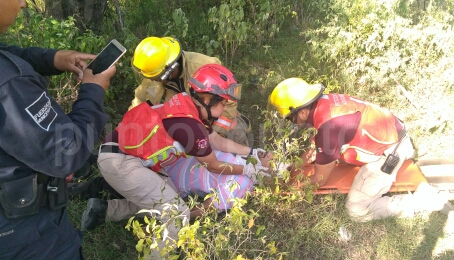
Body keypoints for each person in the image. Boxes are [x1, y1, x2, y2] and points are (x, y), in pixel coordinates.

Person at [81, 64, 270, 242]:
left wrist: (253, 152)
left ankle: (103, 210)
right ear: (207, 98)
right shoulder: (190, 125)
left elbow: (217, 140)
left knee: (165, 197)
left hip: (127, 154)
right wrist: (248, 169)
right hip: (121, 160)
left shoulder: (188, 107)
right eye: (222, 103)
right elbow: (213, 165)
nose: (224, 109)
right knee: (176, 212)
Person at [0, 1, 116, 259]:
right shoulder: (9, 84)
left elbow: (6, 51)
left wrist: (53, 59)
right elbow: (67, 152)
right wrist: (93, 90)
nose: (21, 3)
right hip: (25, 235)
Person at [267, 78, 452, 222]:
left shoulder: (328, 128)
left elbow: (319, 180)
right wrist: (294, 165)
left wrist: (290, 188)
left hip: (391, 151)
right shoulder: (324, 103)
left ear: (302, 112)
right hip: (392, 131)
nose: (291, 122)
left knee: (357, 210)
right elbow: (316, 149)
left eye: (290, 118)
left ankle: (425, 200)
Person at [131, 36, 251, 146]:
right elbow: (137, 106)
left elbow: (229, 101)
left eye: (158, 78)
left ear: (172, 68)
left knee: (237, 152)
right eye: (153, 78)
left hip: (218, 120)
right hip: (189, 129)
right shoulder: (154, 77)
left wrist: (218, 134)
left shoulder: (204, 66)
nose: (156, 81)